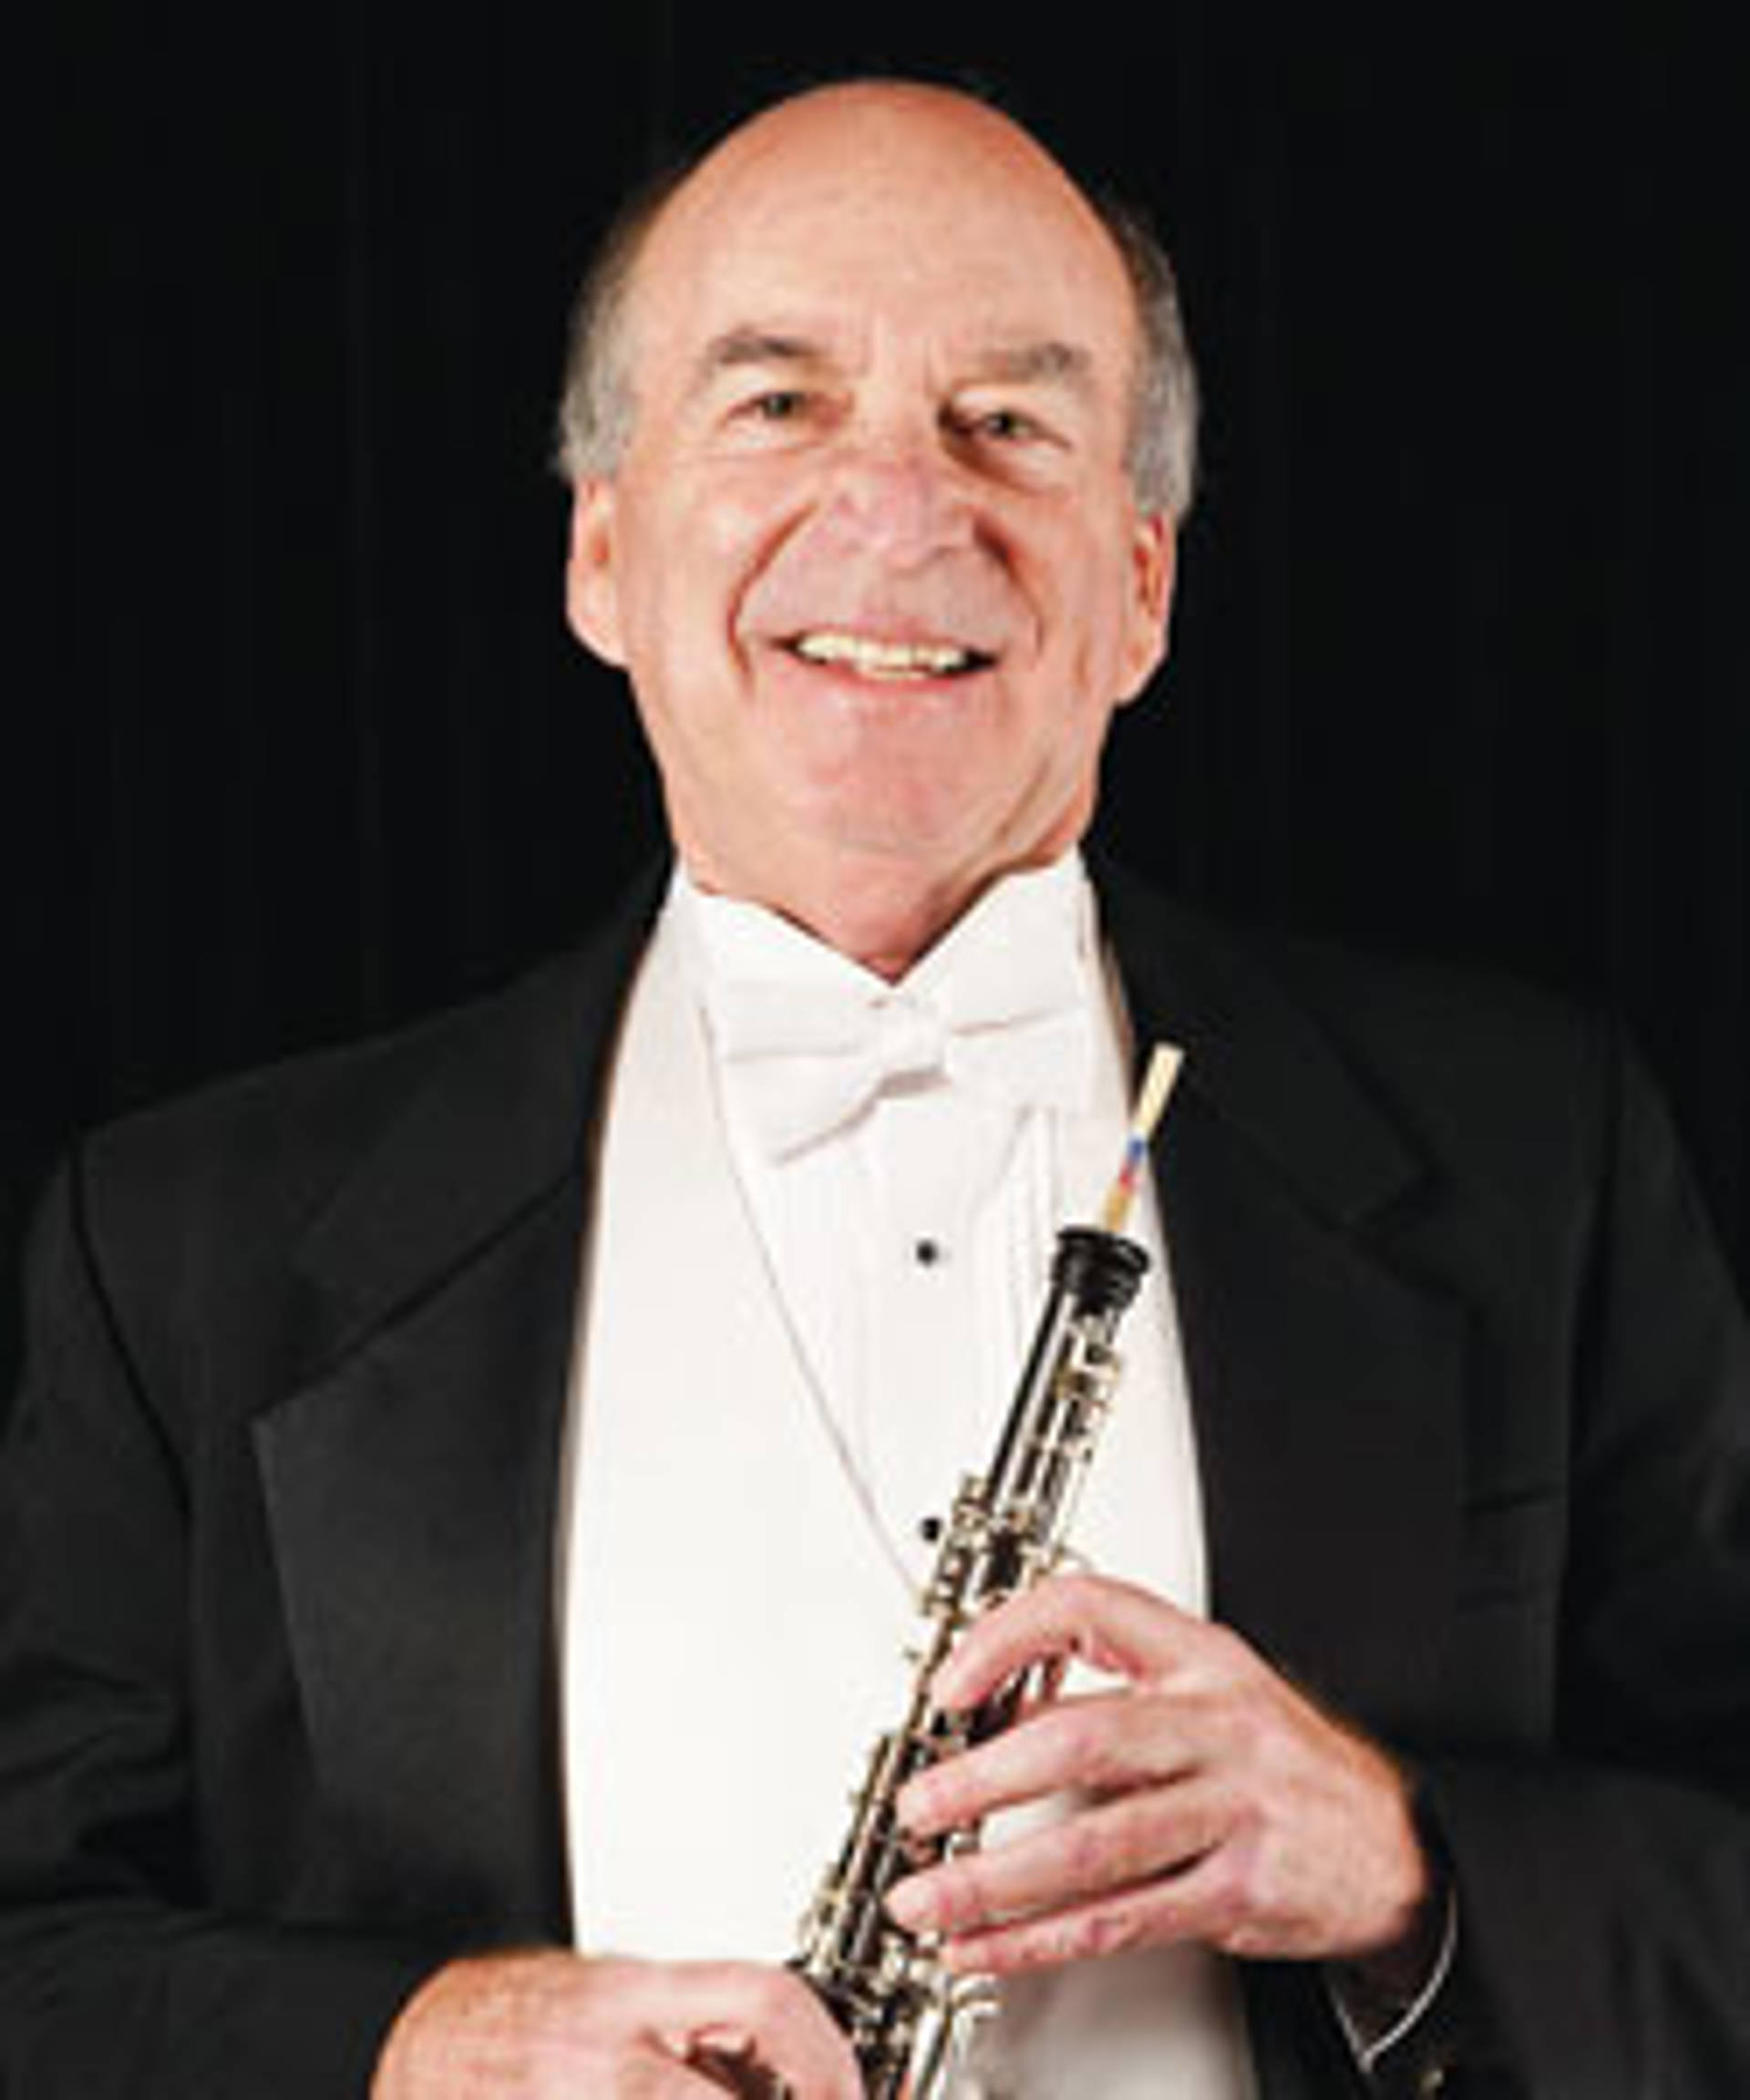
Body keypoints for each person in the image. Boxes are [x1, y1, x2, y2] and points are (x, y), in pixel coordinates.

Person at [2, 77, 1746, 2100]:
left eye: (1010, 421)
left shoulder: (1539, 1157)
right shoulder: (188, 1241)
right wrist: (416, 2046)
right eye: (777, 406)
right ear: (599, 551)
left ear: (1144, 585)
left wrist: (1410, 1871)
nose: (903, 512)